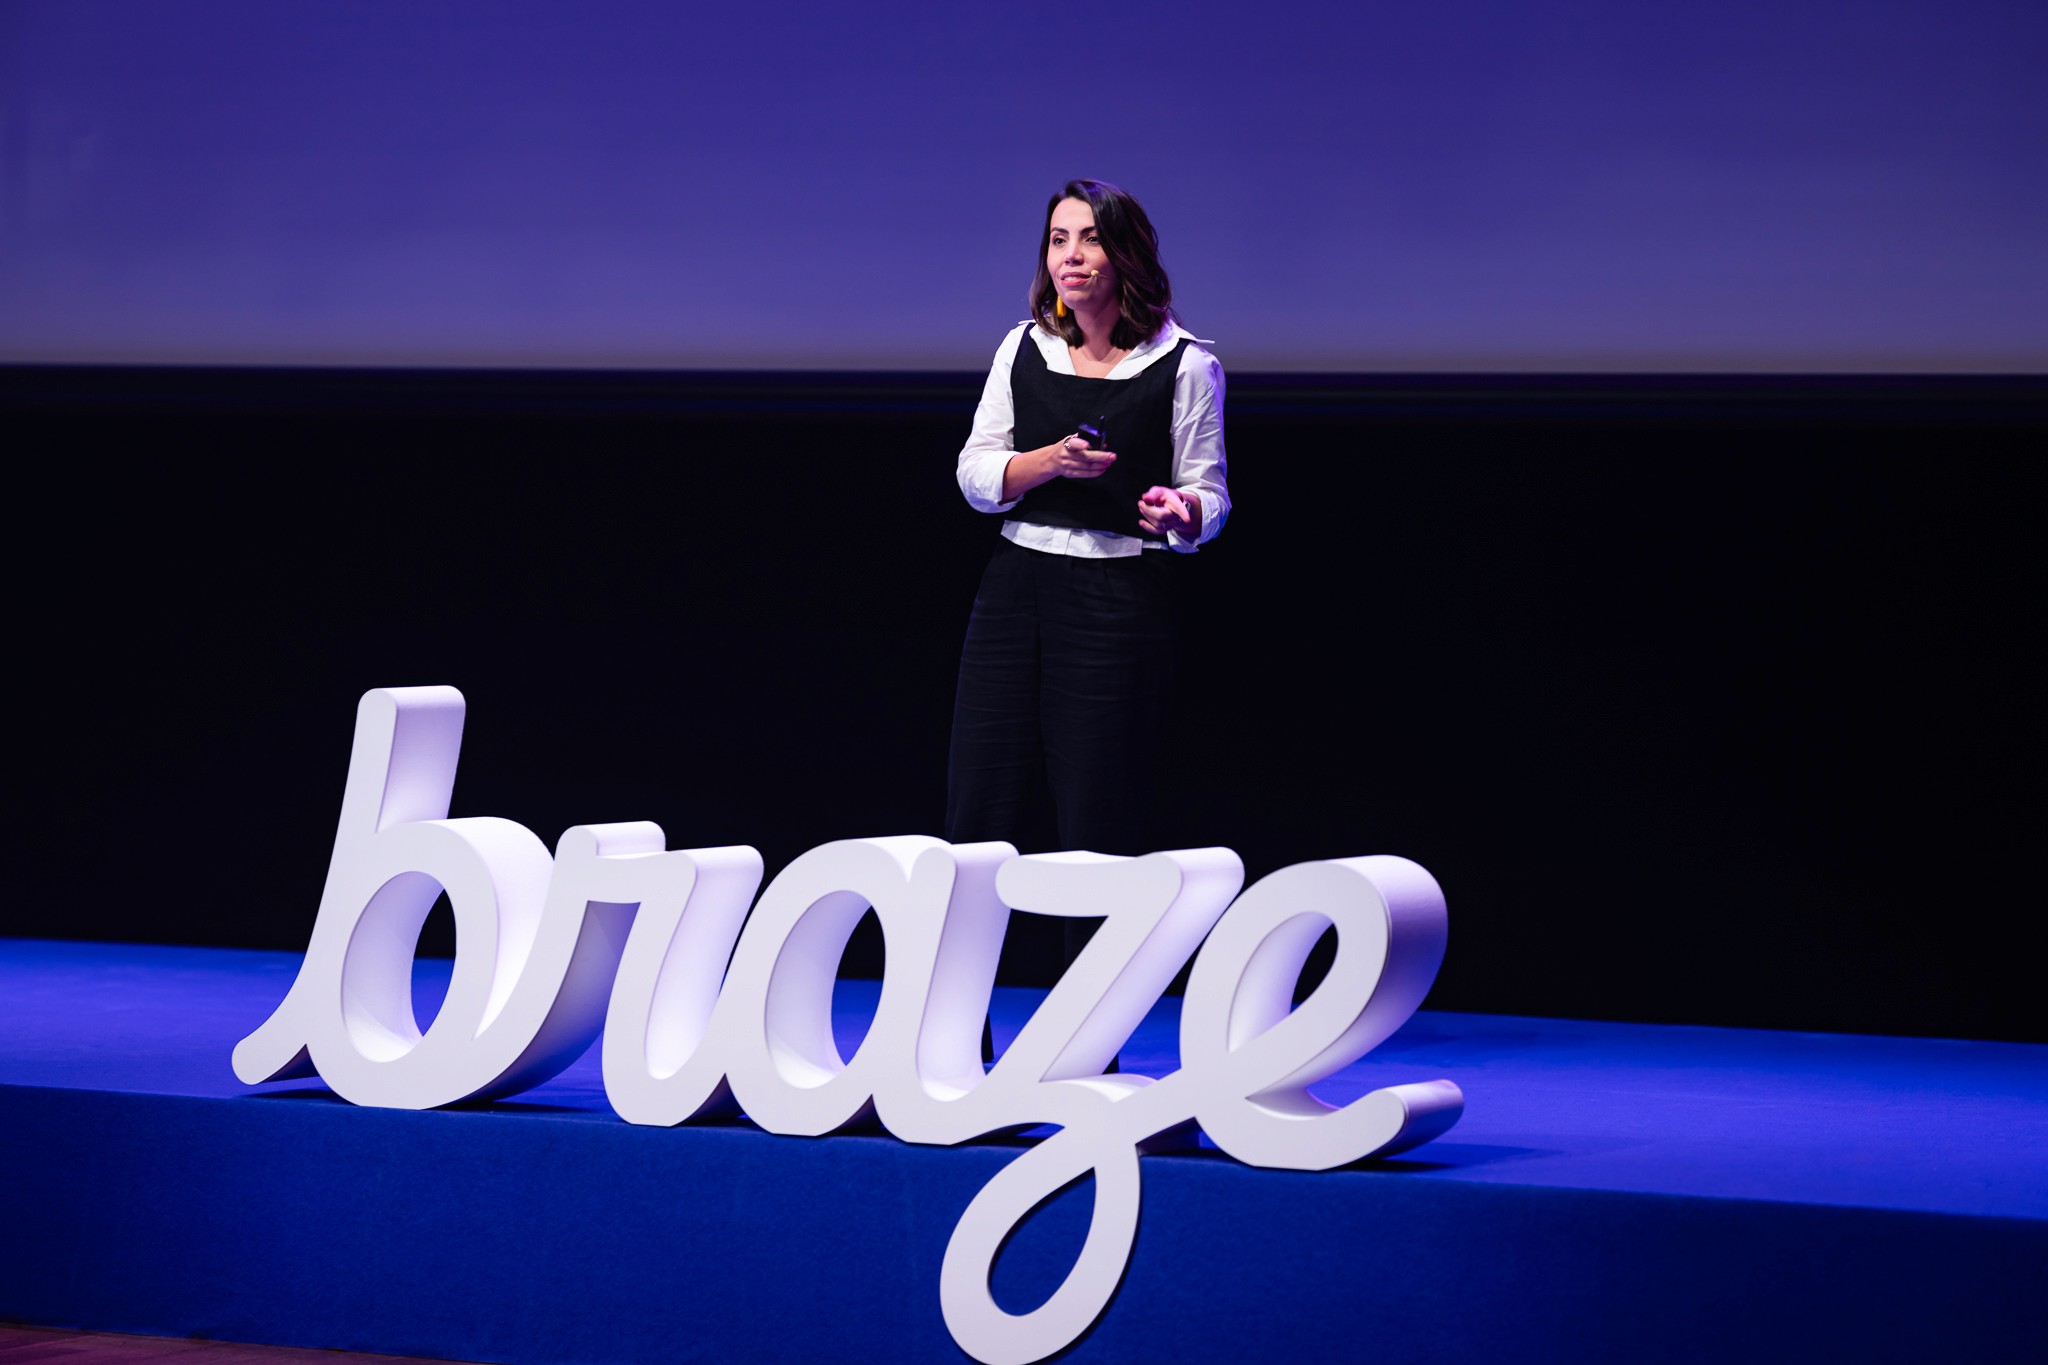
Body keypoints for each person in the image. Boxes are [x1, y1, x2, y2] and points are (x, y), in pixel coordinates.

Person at [947, 179, 1230, 1036]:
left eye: (1090, 239)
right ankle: (946, 1041)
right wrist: (1050, 462)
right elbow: (977, 474)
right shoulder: (1022, 348)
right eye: (1057, 239)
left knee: (1095, 827)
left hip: (1116, 600)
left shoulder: (1186, 364)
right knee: (977, 814)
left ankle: (1082, 1051)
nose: (1070, 256)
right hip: (1015, 589)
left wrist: (1183, 515)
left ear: (1126, 254)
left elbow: (1210, 494)